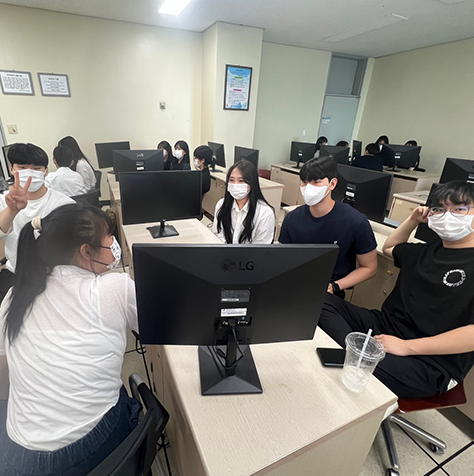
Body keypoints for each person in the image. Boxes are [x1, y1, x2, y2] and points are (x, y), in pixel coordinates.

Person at [0, 203, 141, 475]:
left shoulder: (13, 298)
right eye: (109, 237)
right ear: (86, 251)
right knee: (121, 394)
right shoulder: (115, 287)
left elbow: (3, 375)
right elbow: (161, 327)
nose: (114, 244)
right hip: (86, 450)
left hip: (16, 459)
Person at [319, 181, 474, 399]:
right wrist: (412, 219)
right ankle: (354, 354)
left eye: (459, 209)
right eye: (439, 209)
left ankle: (353, 357)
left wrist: (407, 346)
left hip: (430, 364)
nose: (447, 216)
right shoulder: (424, 251)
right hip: (384, 329)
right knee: (318, 301)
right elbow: (390, 247)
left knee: (350, 369)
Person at [279, 156, 377, 297]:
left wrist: (335, 286)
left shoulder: (355, 221)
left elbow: (370, 268)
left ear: (332, 184)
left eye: (316, 182)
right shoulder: (292, 218)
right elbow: (282, 258)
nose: (308, 188)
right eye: (304, 182)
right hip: (294, 286)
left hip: (329, 292)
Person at [0, 144, 74, 303]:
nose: (29, 173)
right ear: (11, 169)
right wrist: (11, 210)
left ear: (46, 171)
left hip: (54, 277)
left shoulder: (64, 204)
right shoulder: (4, 200)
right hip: (16, 274)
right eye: (22, 167)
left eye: (36, 168)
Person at [213, 160, 275, 244]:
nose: (235, 185)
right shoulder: (221, 204)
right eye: (231, 180)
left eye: (241, 180)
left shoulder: (265, 213)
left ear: (252, 183)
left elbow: (260, 247)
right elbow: (218, 234)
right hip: (224, 251)